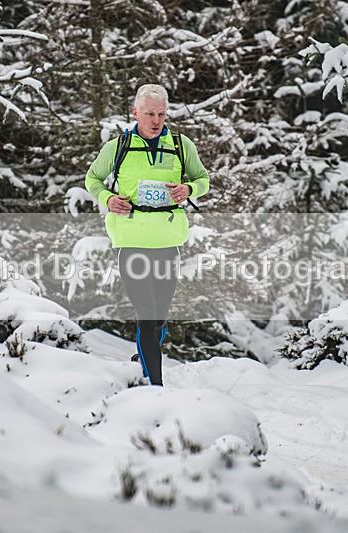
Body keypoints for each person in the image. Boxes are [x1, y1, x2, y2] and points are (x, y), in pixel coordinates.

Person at [84, 84, 210, 386]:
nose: (156, 120)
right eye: (150, 113)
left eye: (162, 113)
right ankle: (155, 386)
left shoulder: (180, 145)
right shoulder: (119, 147)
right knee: (147, 313)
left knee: (160, 319)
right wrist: (107, 199)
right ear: (135, 112)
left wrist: (189, 189)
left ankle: (142, 358)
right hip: (132, 240)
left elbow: (202, 179)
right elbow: (93, 179)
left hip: (167, 240)